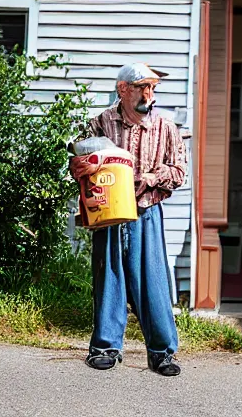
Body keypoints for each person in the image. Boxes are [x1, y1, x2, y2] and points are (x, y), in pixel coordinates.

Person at [69, 63, 187, 376]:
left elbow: (178, 172)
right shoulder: (101, 122)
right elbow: (76, 160)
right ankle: (105, 348)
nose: (150, 95)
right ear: (123, 89)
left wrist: (149, 177)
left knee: (152, 282)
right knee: (108, 278)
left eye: (152, 88)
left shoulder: (165, 127)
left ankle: (162, 354)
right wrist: (79, 166)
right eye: (142, 88)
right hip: (107, 213)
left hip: (146, 212)